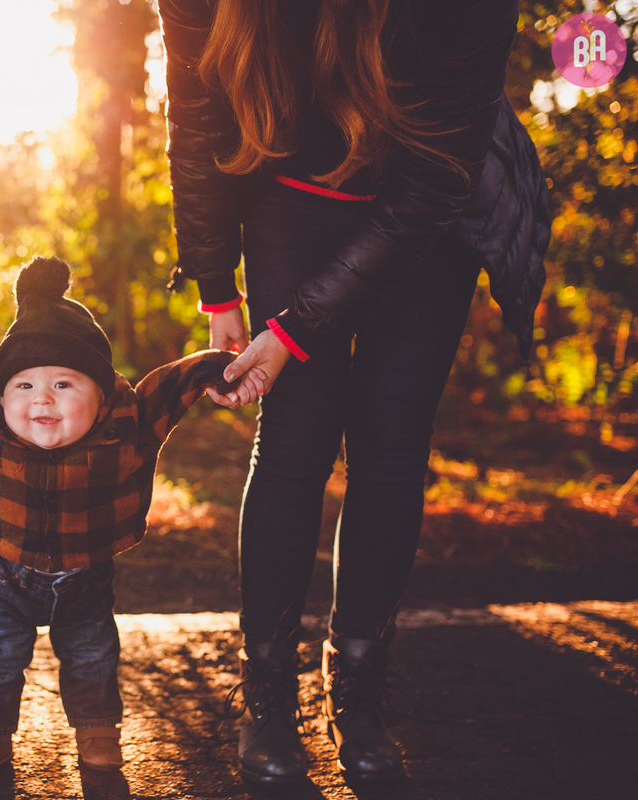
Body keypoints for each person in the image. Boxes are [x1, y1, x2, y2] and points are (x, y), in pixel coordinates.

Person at [159, 0, 548, 785]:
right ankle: (267, 694)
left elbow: (431, 191)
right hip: (290, 188)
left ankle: (359, 689)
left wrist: (293, 330)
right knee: (294, 441)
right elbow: (197, 105)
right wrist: (213, 284)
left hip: (429, 199)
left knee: (392, 447)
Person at [0, 256, 237, 777]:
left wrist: (217, 372)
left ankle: (98, 732)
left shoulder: (126, 425)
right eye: (23, 386)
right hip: (6, 576)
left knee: (92, 657)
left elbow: (173, 383)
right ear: (3, 396)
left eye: (64, 385)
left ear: (101, 393)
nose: (41, 398)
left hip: (86, 578)